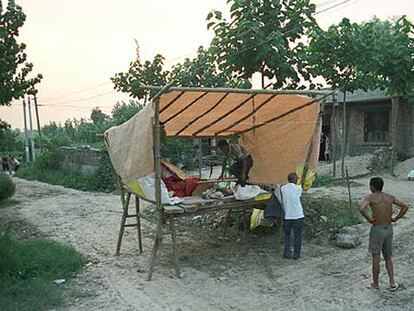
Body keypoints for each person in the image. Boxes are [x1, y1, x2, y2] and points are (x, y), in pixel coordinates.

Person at [360, 177, 409, 291]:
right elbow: (405, 206)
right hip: (389, 228)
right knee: (388, 257)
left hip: (377, 229)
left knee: (376, 256)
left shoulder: (370, 197)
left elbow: (362, 209)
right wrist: (396, 218)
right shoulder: (389, 197)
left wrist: (369, 219)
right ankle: (392, 282)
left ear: (372, 186)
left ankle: (375, 284)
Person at [281, 172, 304, 259]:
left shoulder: (283, 188)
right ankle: (296, 254)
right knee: (297, 236)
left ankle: (287, 253)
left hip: (287, 216)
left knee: (287, 235)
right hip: (298, 215)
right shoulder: (298, 188)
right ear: (294, 180)